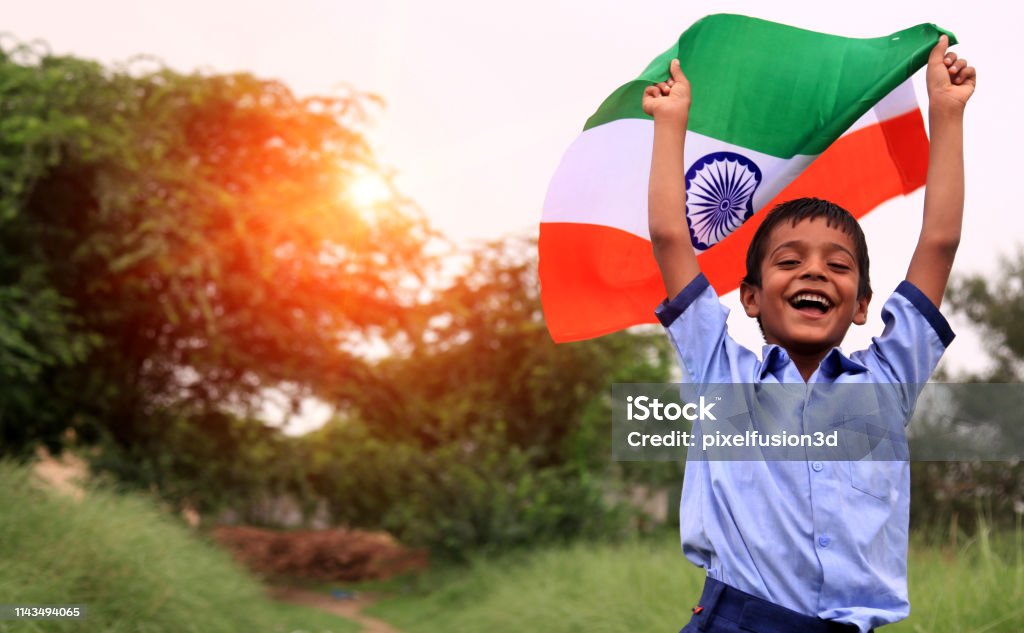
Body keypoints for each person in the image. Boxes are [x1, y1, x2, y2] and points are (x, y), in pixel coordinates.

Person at [642, 35, 976, 633]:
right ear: (750, 297)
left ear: (860, 305)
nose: (815, 271)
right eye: (790, 261)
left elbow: (939, 243)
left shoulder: (887, 382)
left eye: (838, 265)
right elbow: (671, 238)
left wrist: (945, 113)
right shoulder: (721, 375)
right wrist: (672, 125)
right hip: (735, 622)